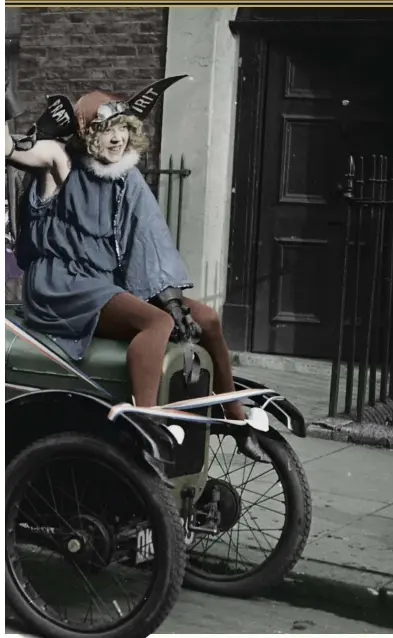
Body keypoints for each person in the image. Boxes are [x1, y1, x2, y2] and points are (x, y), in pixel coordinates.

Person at [5, 86, 269, 462]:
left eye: (123, 127)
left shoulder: (125, 177)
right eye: (105, 130)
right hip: (61, 282)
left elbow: (150, 237)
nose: (117, 138)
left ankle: (235, 418)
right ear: (85, 134)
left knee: (207, 319)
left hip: (105, 279)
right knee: (157, 324)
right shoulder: (60, 160)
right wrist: (37, 129)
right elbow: (9, 150)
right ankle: (144, 425)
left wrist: (172, 299)